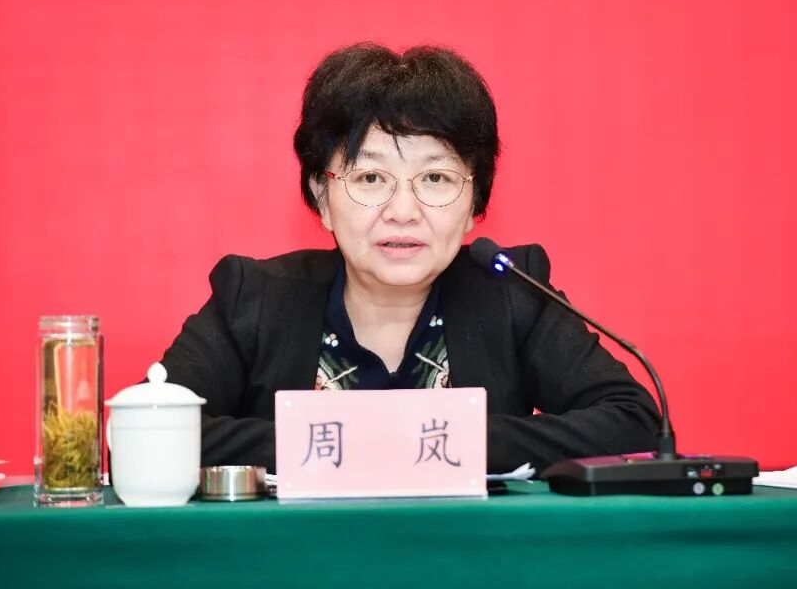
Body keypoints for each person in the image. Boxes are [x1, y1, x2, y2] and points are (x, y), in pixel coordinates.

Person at [158, 42, 661, 474]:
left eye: (435, 178)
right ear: (322, 197)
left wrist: (448, 440)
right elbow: (154, 430)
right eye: (370, 178)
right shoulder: (254, 298)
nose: (402, 211)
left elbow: (633, 421)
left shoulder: (511, 292)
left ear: (475, 205)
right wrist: (387, 443)